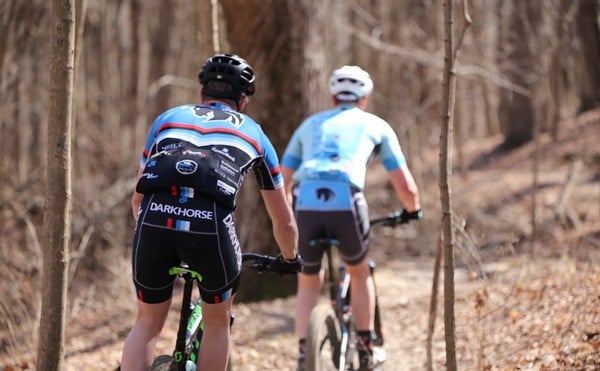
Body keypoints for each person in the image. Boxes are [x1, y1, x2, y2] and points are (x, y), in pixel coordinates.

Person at [120, 53, 302, 371]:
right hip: (210, 228)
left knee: (147, 322)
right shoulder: (255, 134)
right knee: (217, 323)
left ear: (203, 93)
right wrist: (289, 258)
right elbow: (284, 220)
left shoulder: (168, 118)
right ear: (243, 100)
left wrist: (162, 229)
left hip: (152, 219)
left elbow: (138, 198)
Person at [280, 65, 422, 371]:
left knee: (307, 281)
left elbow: (283, 177)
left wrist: (287, 215)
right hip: (346, 199)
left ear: (333, 97)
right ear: (365, 98)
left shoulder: (309, 125)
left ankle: (305, 353)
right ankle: (366, 346)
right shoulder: (376, 125)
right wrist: (413, 209)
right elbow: (406, 185)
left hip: (304, 200)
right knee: (358, 272)